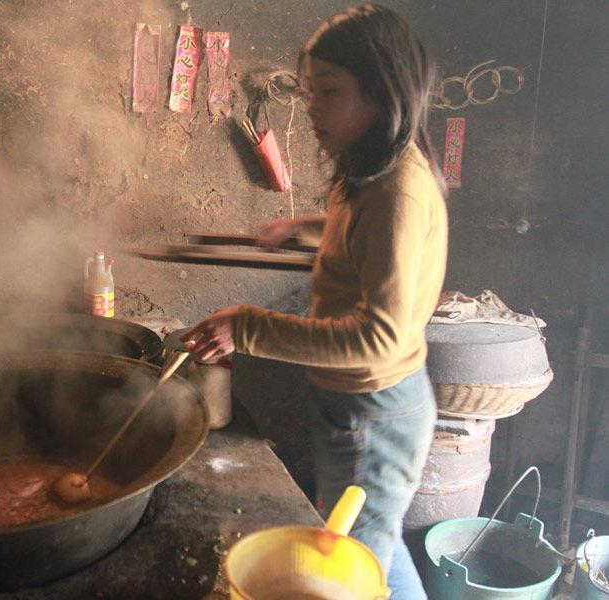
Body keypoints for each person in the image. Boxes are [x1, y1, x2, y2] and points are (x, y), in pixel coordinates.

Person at [182, 4, 447, 599]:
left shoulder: (397, 193)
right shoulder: (369, 169)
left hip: (375, 415)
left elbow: (379, 337)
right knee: (366, 545)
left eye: (328, 90)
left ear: (380, 93)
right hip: (356, 404)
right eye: (310, 90)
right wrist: (304, 229)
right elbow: (360, 240)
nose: (311, 106)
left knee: (350, 565)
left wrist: (247, 326)